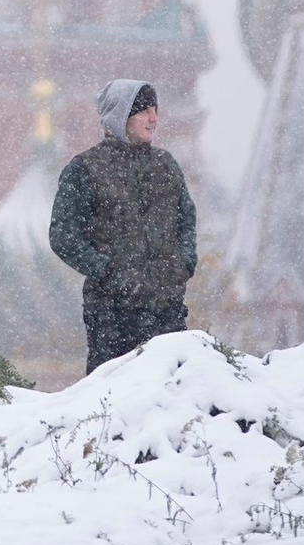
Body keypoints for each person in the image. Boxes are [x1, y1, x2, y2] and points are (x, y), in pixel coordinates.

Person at [49, 79, 197, 374]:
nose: (153, 118)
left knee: (169, 399)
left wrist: (183, 263)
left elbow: (186, 219)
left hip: (166, 307)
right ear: (120, 116)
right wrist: (106, 270)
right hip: (111, 313)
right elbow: (62, 235)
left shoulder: (165, 165)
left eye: (155, 109)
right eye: (143, 111)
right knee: (112, 400)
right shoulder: (85, 169)